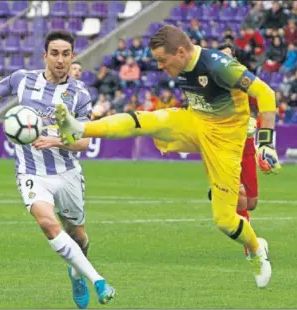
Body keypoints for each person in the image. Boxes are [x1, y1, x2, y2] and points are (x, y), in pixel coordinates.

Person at [55, 25, 282, 289]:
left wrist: (266, 142)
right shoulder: (183, 65)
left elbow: (265, 93)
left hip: (226, 142)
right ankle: (80, 127)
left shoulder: (218, 64)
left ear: (182, 52)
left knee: (225, 221)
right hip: (195, 122)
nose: (160, 66)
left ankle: (256, 249)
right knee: (147, 120)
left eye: (163, 60)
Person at [0, 30, 115, 309]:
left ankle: (76, 272)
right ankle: (97, 280)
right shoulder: (23, 80)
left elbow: (85, 142)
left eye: (66, 54)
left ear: (73, 57)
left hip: (67, 174)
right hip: (31, 173)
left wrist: (55, 140)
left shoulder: (78, 94)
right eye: (55, 53)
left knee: (78, 236)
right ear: (45, 56)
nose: (60, 59)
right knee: (47, 222)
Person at [207, 42, 260, 259]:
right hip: (224, 149)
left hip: (246, 149)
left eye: (228, 57)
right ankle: (249, 245)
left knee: (252, 202)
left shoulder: (245, 81)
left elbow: (262, 103)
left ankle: (218, 192)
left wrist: (255, 119)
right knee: (240, 197)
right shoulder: (209, 84)